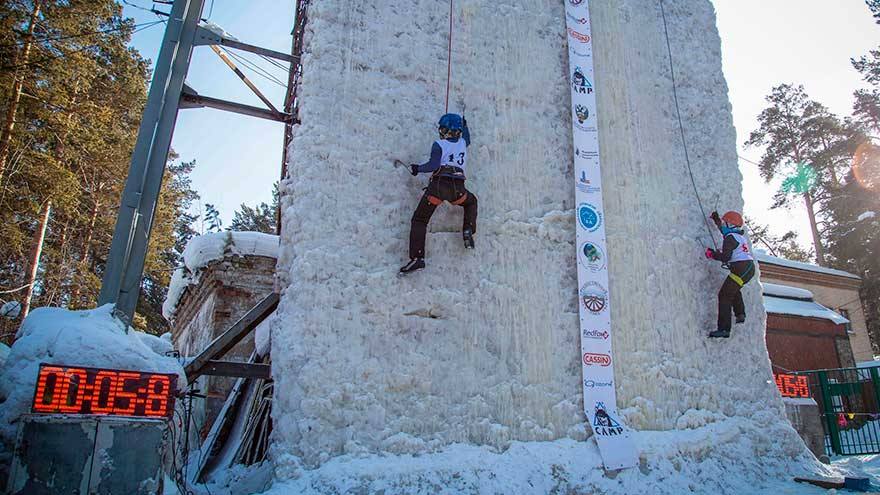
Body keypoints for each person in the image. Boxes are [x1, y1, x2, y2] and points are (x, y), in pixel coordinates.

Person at [400, 113, 478, 274]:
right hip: (458, 189)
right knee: (471, 202)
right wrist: (465, 124)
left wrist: (417, 168)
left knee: (420, 220)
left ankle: (417, 258)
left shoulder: (438, 144)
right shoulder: (463, 143)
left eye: (442, 129)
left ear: (445, 130)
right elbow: (468, 137)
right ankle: (468, 230)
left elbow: (433, 165)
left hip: (438, 187)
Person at [704, 210, 755, 338]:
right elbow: (723, 230)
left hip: (741, 269)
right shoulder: (738, 236)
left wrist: (712, 254)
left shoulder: (730, 238)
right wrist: (716, 219)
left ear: (731, 225)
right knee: (732, 289)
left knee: (724, 295)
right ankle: (740, 314)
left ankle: (724, 329)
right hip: (747, 269)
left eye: (726, 223)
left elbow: (726, 257)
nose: (724, 224)